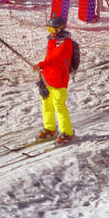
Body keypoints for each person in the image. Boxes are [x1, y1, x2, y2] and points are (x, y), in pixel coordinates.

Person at [36, 16, 77, 144]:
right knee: (46, 104)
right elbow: (49, 57)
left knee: (59, 106)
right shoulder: (51, 41)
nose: (50, 31)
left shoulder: (67, 42)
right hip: (47, 79)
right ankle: (49, 128)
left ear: (60, 29)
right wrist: (42, 71)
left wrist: (41, 64)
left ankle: (67, 132)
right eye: (48, 29)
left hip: (59, 81)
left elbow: (57, 59)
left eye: (52, 29)